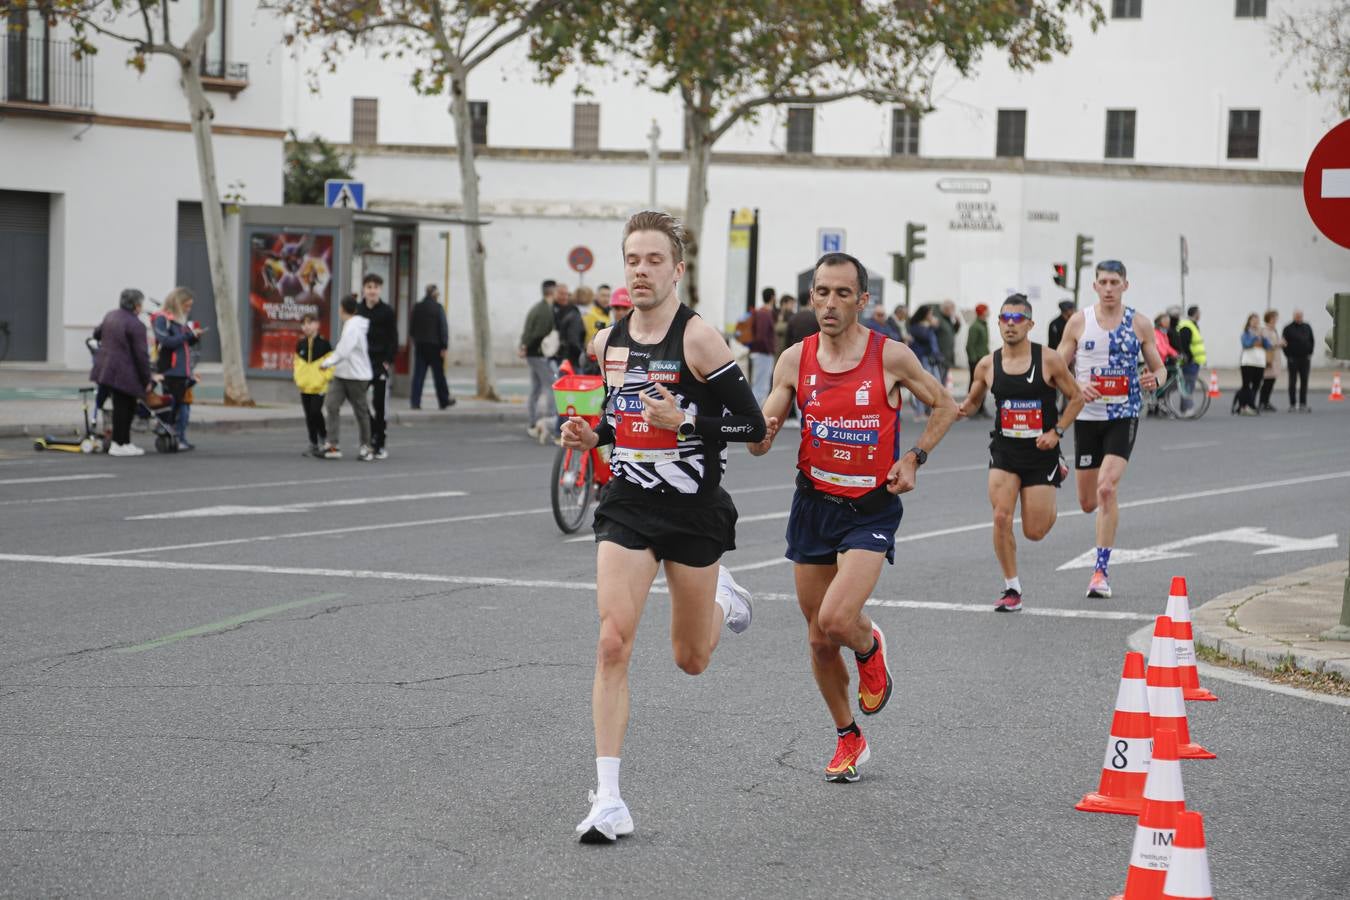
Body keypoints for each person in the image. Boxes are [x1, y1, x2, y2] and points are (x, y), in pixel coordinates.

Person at [560, 210, 766, 844]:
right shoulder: (607, 343)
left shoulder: (700, 340)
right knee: (612, 641)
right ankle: (609, 798)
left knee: (692, 659)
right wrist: (591, 434)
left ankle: (724, 593)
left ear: (678, 270)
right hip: (627, 503)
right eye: (632, 259)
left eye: (654, 260)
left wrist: (687, 423)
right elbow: (622, 424)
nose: (641, 270)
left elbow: (753, 428)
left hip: (693, 510)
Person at [749, 251, 955, 783]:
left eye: (844, 293)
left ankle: (869, 644)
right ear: (811, 297)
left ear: (863, 300)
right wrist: (763, 433)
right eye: (822, 292)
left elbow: (945, 404)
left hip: (869, 509)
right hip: (813, 504)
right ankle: (849, 736)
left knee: (837, 621)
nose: (831, 303)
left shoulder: (892, 356)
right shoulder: (795, 359)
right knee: (817, 641)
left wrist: (915, 458)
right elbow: (764, 428)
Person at [958, 295, 1083, 612]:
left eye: (1017, 319)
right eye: (1005, 318)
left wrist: (1057, 432)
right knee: (1001, 516)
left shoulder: (1049, 360)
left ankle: (1058, 471)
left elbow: (1077, 398)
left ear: (1030, 324)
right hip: (1004, 451)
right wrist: (957, 409)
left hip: (1042, 453)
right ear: (998, 322)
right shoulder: (988, 364)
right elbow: (972, 402)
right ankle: (1011, 588)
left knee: (1035, 531)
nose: (1010, 324)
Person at [1056, 260, 1166, 599]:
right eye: (1102, 281)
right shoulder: (1079, 322)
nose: (1108, 288)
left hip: (1124, 412)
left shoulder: (1139, 324)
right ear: (1094, 286)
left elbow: (1160, 371)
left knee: (1107, 489)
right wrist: (1075, 386)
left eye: (1114, 282)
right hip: (1088, 416)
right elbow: (1057, 367)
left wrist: (1153, 381)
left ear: (1125, 286)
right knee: (1088, 501)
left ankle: (1100, 572)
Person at [91, 288, 155, 458]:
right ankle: (118, 443)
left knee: (124, 407)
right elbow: (141, 355)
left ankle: (125, 442)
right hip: (126, 372)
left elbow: (96, 333)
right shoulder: (136, 324)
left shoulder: (110, 315)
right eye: (141, 303)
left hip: (107, 368)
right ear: (136, 305)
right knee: (124, 409)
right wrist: (146, 378)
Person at [320, 295, 374, 462]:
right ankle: (333, 444)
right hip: (342, 374)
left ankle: (366, 446)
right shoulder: (350, 325)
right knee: (331, 404)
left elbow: (344, 351)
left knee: (361, 411)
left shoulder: (353, 327)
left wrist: (327, 362)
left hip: (357, 376)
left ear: (342, 309)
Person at [151, 287, 202, 451]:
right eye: (186, 305)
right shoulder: (163, 319)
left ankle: (177, 436)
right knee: (173, 405)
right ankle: (167, 431)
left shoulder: (180, 320)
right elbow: (167, 341)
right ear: (177, 303)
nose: (189, 309)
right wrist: (187, 336)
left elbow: (184, 343)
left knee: (181, 405)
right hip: (171, 369)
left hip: (182, 369)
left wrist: (193, 337)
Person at [356, 273, 397, 460]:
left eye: (376, 287)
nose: (372, 291)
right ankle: (370, 435)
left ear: (380, 289)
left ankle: (379, 443)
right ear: (364, 289)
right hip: (361, 364)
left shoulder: (387, 312)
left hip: (379, 365)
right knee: (360, 403)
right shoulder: (357, 311)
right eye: (369, 287)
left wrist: (387, 361)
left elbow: (393, 339)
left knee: (379, 405)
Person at [520, 280, 558, 439]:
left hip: (531, 353)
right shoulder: (545, 310)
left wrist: (523, 346)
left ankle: (532, 422)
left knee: (535, 389)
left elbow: (528, 331)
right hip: (538, 354)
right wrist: (528, 347)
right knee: (551, 386)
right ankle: (550, 422)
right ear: (552, 292)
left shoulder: (537, 307)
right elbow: (539, 334)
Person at [294, 311, 334, 456]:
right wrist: (299, 379)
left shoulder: (324, 344)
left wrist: (325, 378)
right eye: (303, 324)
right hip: (305, 386)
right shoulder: (300, 344)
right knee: (308, 415)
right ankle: (313, 443)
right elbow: (297, 364)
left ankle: (323, 437)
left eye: (309, 323)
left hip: (319, 386)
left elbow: (331, 364)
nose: (306, 326)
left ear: (317, 325)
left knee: (315, 411)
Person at [410, 285, 454, 410]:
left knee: (419, 375)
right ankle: (443, 400)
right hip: (435, 347)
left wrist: (417, 340)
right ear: (434, 294)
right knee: (439, 375)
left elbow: (412, 328)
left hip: (420, 345)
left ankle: (415, 402)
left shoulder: (417, 307)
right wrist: (444, 346)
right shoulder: (438, 308)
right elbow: (443, 328)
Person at [906, 305, 943, 421]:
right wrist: (931, 327)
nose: (932, 316)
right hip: (922, 359)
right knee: (922, 385)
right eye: (930, 313)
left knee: (936, 384)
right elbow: (924, 337)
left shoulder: (928, 326)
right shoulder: (916, 327)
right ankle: (919, 412)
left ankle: (932, 410)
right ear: (924, 314)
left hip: (932, 358)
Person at [1234, 313, 1271, 416]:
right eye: (1253, 320)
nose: (1255, 323)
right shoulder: (1246, 333)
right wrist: (1255, 338)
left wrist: (1262, 338)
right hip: (1248, 362)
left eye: (1257, 321)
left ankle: (1251, 405)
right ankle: (1243, 406)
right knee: (1246, 385)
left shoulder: (1261, 334)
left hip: (1259, 363)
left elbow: (1268, 346)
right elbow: (1246, 344)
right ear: (1249, 322)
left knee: (1256, 385)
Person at [1174, 306, 1206, 414]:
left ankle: (1184, 408)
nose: (1200, 315)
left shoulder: (1192, 325)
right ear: (1195, 314)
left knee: (1188, 385)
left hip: (1194, 361)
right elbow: (1185, 344)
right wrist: (1190, 357)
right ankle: (1187, 408)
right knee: (1188, 386)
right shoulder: (1187, 326)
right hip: (1189, 362)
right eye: (1199, 313)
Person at [748, 286, 778, 404]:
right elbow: (761, 336)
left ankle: (757, 414)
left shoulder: (762, 312)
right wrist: (770, 349)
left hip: (761, 353)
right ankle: (756, 415)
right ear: (772, 297)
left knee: (761, 385)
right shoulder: (764, 314)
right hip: (763, 354)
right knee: (761, 386)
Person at [1283, 309, 1314, 412]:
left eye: (1300, 315)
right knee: (1292, 381)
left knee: (1304, 381)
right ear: (1294, 316)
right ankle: (1292, 404)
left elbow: (1311, 340)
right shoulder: (1288, 328)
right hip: (1293, 359)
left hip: (1305, 358)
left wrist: (1310, 353)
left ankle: (1303, 403)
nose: (1299, 317)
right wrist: (1288, 356)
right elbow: (1284, 344)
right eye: (1297, 316)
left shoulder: (1307, 327)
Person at [552, 284, 586, 376]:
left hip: (570, 358)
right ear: (554, 294)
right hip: (558, 356)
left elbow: (574, 340)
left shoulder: (572, 313)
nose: (564, 297)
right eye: (561, 294)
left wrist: (581, 354)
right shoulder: (552, 310)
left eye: (566, 294)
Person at [965, 303, 991, 418]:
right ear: (982, 312)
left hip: (983, 359)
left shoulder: (983, 324)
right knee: (974, 385)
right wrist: (973, 360)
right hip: (976, 361)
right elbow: (970, 345)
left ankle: (981, 408)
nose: (988, 312)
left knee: (983, 385)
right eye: (987, 310)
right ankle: (972, 408)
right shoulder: (975, 326)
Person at [1259, 309, 1283, 413]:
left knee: (1271, 381)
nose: (1275, 320)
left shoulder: (1273, 329)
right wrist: (1279, 343)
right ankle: (1262, 402)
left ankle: (1266, 402)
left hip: (1275, 358)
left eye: (1276, 318)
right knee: (1267, 382)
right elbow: (1267, 344)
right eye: (1273, 318)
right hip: (1269, 359)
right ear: (1269, 318)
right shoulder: (1265, 330)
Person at [935, 299, 961, 384]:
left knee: (944, 379)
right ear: (946, 309)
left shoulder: (948, 319)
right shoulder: (938, 319)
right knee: (939, 378)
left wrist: (957, 323)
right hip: (940, 354)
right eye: (952, 309)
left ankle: (941, 395)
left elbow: (953, 332)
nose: (953, 311)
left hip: (947, 354)